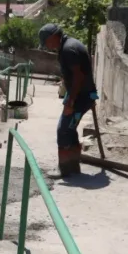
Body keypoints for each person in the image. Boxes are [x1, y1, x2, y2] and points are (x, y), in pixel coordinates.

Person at [39, 23, 98, 178]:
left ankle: (64, 168)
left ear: (53, 37)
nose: (46, 46)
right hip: (83, 95)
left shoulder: (68, 49)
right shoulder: (68, 45)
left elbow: (78, 77)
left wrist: (71, 102)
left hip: (80, 98)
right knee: (70, 129)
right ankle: (73, 167)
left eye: (46, 42)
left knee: (63, 130)